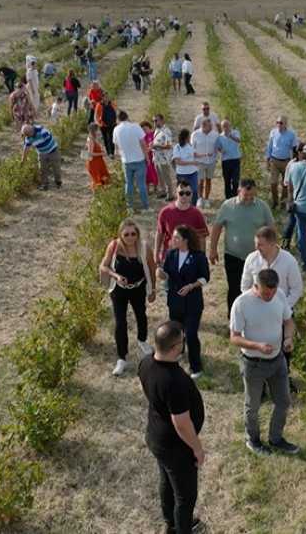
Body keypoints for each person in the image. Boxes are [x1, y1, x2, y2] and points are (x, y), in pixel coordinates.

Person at [138, 321, 206, 534]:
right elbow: (182, 423)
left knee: (167, 481)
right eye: (183, 341)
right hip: (176, 446)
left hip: (156, 437)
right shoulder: (173, 381)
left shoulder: (145, 363)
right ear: (176, 347)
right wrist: (197, 448)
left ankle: (171, 524)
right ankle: (182, 529)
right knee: (185, 496)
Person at [230, 268, 300, 456]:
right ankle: (252, 440)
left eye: (273, 291)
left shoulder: (279, 296)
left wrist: (288, 338)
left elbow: (289, 321)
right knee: (253, 406)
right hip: (253, 363)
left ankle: (276, 439)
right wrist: (257, 345)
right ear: (256, 286)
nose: (270, 296)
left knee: (283, 401)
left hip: (278, 360)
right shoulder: (242, 303)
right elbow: (234, 338)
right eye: (266, 292)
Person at [99, 219, 156, 376]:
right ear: (121, 235)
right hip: (119, 290)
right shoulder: (114, 246)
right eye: (126, 234)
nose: (130, 237)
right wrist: (115, 276)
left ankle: (142, 341)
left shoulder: (144, 247)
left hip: (138, 288)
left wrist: (153, 289)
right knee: (120, 322)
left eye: (133, 234)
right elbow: (103, 266)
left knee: (141, 315)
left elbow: (152, 267)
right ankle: (122, 357)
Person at [210, 179, 275, 310]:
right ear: (239, 191)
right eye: (246, 196)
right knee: (234, 288)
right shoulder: (228, 206)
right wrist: (213, 249)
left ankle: (253, 316)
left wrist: (272, 250)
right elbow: (217, 227)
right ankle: (234, 319)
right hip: (233, 256)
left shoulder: (262, 207)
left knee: (256, 287)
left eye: (252, 196)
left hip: (257, 257)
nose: (249, 199)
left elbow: (272, 229)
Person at [160, 225, 210, 379]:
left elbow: (205, 277)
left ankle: (196, 367)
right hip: (175, 301)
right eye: (173, 237)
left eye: (176, 238)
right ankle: (177, 354)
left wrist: (191, 286)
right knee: (176, 332)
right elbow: (167, 275)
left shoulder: (198, 256)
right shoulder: (171, 254)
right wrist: (160, 274)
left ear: (185, 240)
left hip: (192, 302)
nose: (173, 240)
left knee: (191, 334)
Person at [156, 181, 209, 265]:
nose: (184, 196)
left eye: (187, 193)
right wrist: (156, 254)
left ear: (192, 195)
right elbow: (160, 234)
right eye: (181, 193)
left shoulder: (197, 214)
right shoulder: (165, 212)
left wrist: (202, 258)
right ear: (176, 193)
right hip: (170, 257)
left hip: (191, 259)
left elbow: (202, 238)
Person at [113, 110, 151, 212]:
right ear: (127, 117)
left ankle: (130, 207)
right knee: (141, 184)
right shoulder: (135, 127)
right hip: (139, 160)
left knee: (128, 184)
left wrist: (120, 158)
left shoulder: (116, 130)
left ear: (118, 119)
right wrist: (147, 158)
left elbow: (116, 148)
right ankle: (146, 207)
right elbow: (143, 144)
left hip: (126, 161)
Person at [265, 115, 299, 208]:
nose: (278, 125)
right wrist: (267, 159)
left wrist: (295, 162)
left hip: (286, 162)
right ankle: (275, 201)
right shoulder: (273, 132)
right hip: (274, 161)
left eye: (281, 123)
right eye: (277, 122)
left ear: (285, 124)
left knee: (285, 184)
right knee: (273, 183)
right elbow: (270, 146)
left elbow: (295, 149)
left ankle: (283, 202)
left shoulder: (291, 135)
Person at [20, 123, 61, 190]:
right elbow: (26, 149)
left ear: (31, 130)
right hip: (42, 153)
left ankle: (58, 181)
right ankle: (45, 185)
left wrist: (37, 140)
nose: (27, 136)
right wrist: (23, 160)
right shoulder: (28, 137)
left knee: (56, 167)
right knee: (42, 169)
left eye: (28, 134)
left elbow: (50, 138)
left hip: (53, 151)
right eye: (26, 135)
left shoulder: (42, 131)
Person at [192, 119, 220, 209]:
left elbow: (218, 147)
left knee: (208, 180)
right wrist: (197, 157)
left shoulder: (215, 134)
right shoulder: (195, 134)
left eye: (210, 125)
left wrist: (216, 158)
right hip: (199, 162)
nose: (210, 127)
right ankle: (200, 198)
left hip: (211, 161)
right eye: (207, 126)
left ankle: (207, 199)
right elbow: (192, 149)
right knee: (200, 181)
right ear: (202, 125)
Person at [151, 114, 176, 200]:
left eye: (156, 120)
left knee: (166, 177)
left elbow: (169, 145)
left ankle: (170, 194)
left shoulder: (166, 131)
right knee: (160, 177)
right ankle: (163, 191)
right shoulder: (157, 130)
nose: (154, 122)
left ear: (162, 120)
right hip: (156, 158)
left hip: (164, 159)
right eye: (153, 121)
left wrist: (156, 146)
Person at [217, 120, 243, 199]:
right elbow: (218, 147)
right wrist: (221, 150)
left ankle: (235, 197)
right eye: (224, 126)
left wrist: (230, 136)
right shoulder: (220, 137)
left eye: (227, 125)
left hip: (235, 160)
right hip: (226, 161)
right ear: (222, 127)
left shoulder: (235, 132)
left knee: (235, 181)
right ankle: (228, 198)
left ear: (230, 126)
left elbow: (239, 140)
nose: (226, 127)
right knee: (227, 181)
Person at [84, 123, 111, 190]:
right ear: (94, 130)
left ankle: (99, 196)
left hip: (98, 162)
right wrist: (101, 154)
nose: (99, 131)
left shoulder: (93, 138)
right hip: (94, 163)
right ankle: (97, 196)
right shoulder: (91, 140)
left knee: (100, 180)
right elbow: (91, 153)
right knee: (97, 181)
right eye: (98, 130)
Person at [142, 120, 159, 195]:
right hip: (146, 158)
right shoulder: (142, 137)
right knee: (147, 174)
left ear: (149, 127)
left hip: (154, 157)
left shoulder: (154, 135)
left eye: (145, 128)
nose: (144, 130)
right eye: (142, 129)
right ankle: (148, 189)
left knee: (155, 173)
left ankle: (155, 188)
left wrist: (150, 147)